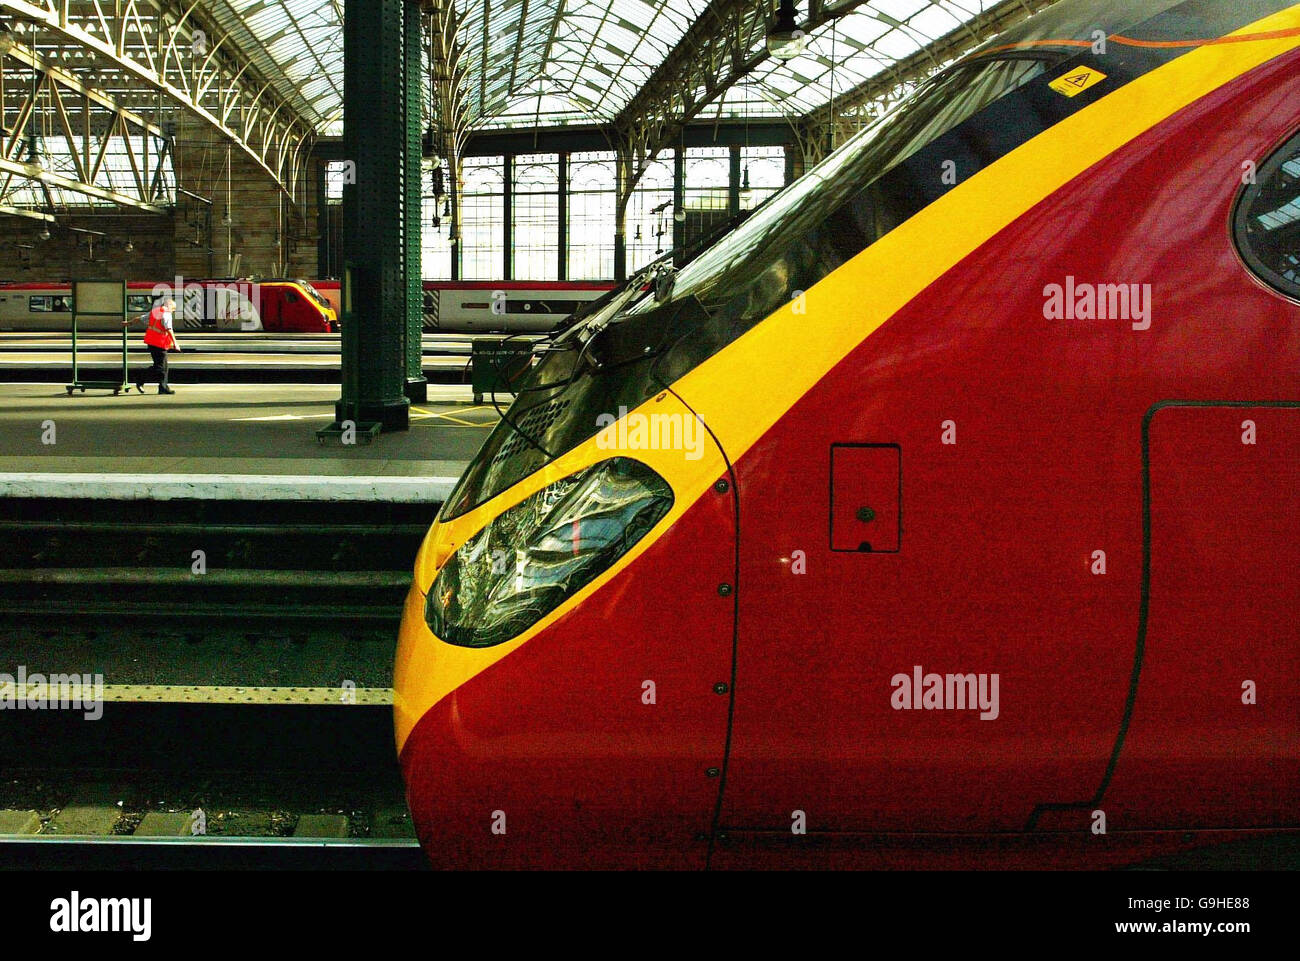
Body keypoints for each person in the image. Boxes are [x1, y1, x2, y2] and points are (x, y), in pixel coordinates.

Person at [124, 297, 181, 394]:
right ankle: (140, 376)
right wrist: (175, 343)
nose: (173, 311)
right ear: (169, 305)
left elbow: (140, 318)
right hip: (159, 342)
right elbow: (169, 329)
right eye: (173, 308)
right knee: (160, 367)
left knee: (163, 366)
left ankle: (163, 387)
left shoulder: (155, 311)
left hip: (152, 342)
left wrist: (129, 323)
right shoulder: (166, 314)